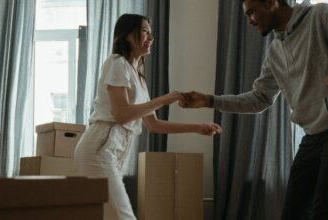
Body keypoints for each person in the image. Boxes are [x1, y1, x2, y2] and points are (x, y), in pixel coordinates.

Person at [180, 0, 328, 219]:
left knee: (327, 214)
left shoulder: (322, 16)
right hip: (313, 136)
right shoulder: (275, 51)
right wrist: (210, 100)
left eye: (251, 13)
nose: (249, 21)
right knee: (292, 214)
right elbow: (260, 98)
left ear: (271, 3)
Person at [74, 14, 222, 220]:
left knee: (108, 215)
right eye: (145, 31)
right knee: (123, 215)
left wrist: (197, 127)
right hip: (101, 145)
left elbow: (154, 124)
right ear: (127, 36)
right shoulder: (117, 63)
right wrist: (166, 99)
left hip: (118, 147)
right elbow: (123, 114)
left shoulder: (139, 79)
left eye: (151, 33)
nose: (151, 38)